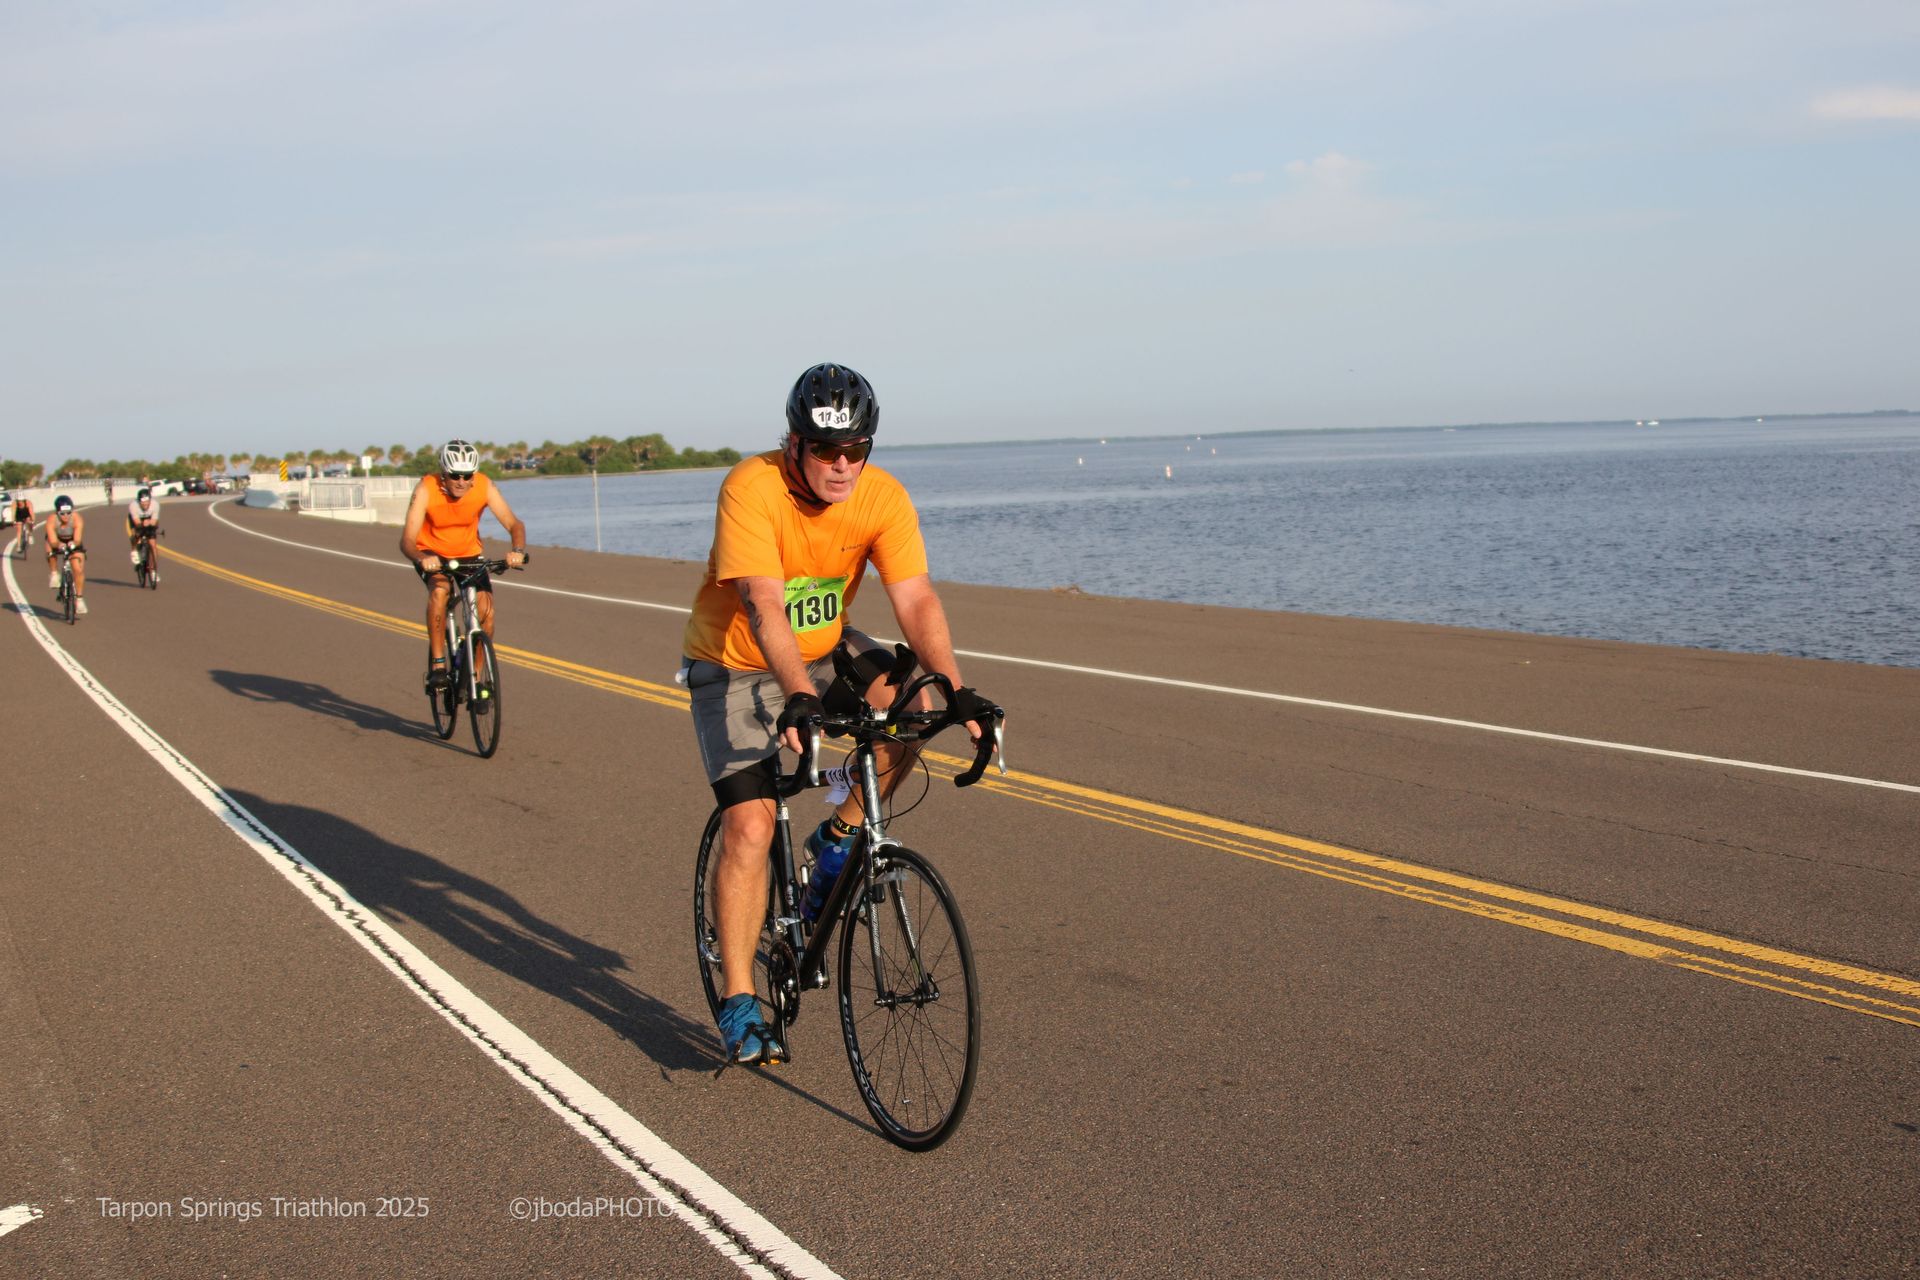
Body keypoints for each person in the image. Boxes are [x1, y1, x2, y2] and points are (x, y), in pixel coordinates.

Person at [683, 362, 997, 1067]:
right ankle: (740, 1000)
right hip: (734, 664)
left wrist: (958, 688)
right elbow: (764, 602)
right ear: (794, 443)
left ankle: (837, 836)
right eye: (827, 450)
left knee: (914, 708)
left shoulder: (880, 496)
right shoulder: (751, 487)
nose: (842, 465)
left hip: (824, 651)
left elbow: (914, 598)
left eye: (856, 450)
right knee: (749, 825)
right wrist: (798, 694)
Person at [399, 440, 528, 690]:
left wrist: (517, 551)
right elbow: (407, 541)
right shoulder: (426, 488)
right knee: (440, 591)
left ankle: (475, 677)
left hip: (469, 555)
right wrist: (421, 558)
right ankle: (438, 665)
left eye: (467, 476)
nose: (461, 481)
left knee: (486, 615)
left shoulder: (484, 485)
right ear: (443, 474)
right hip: (432, 554)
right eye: (455, 475)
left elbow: (514, 523)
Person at [44, 494, 87, 615]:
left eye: (68, 513)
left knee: (78, 569)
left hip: (73, 540)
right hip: (56, 540)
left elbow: (78, 539)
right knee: (50, 550)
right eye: (62, 514)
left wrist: (73, 544)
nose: (66, 516)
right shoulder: (52, 520)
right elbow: (52, 540)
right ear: (57, 513)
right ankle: (54, 573)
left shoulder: (77, 519)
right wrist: (58, 545)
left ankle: (79, 599)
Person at [126, 487, 162, 582]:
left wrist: (150, 523)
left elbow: (155, 522)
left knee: (153, 545)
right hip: (137, 520)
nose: (145, 504)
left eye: (147, 501)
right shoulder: (133, 506)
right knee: (136, 535)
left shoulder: (155, 505)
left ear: (150, 500)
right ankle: (134, 551)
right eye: (143, 502)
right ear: (139, 501)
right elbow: (137, 522)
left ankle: (153, 570)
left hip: (150, 519)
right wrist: (142, 524)